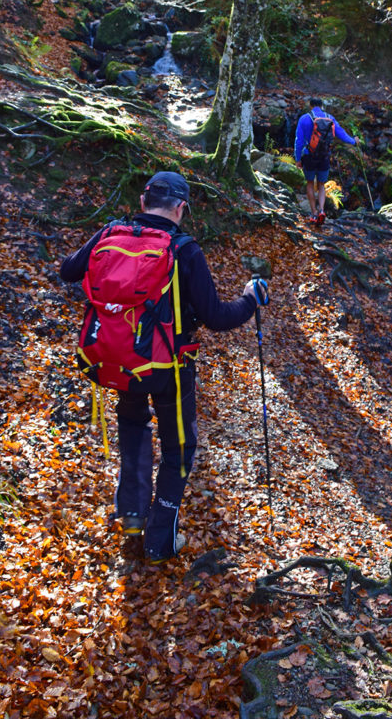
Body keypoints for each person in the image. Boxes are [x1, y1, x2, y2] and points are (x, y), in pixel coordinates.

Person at [60, 170, 267, 563]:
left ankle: (133, 516)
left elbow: (69, 270)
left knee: (134, 426)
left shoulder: (109, 234)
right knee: (179, 449)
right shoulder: (184, 249)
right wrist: (250, 299)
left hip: (120, 359)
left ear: (143, 202)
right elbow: (217, 317)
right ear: (181, 208)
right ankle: (159, 541)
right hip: (171, 367)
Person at [294, 97, 359, 224]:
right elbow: (341, 134)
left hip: (309, 155)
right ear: (321, 105)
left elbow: (299, 141)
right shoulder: (330, 118)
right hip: (324, 155)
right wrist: (353, 141)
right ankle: (322, 210)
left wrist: (297, 159)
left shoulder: (304, 118)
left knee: (309, 183)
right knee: (321, 185)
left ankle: (313, 214)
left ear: (310, 105)